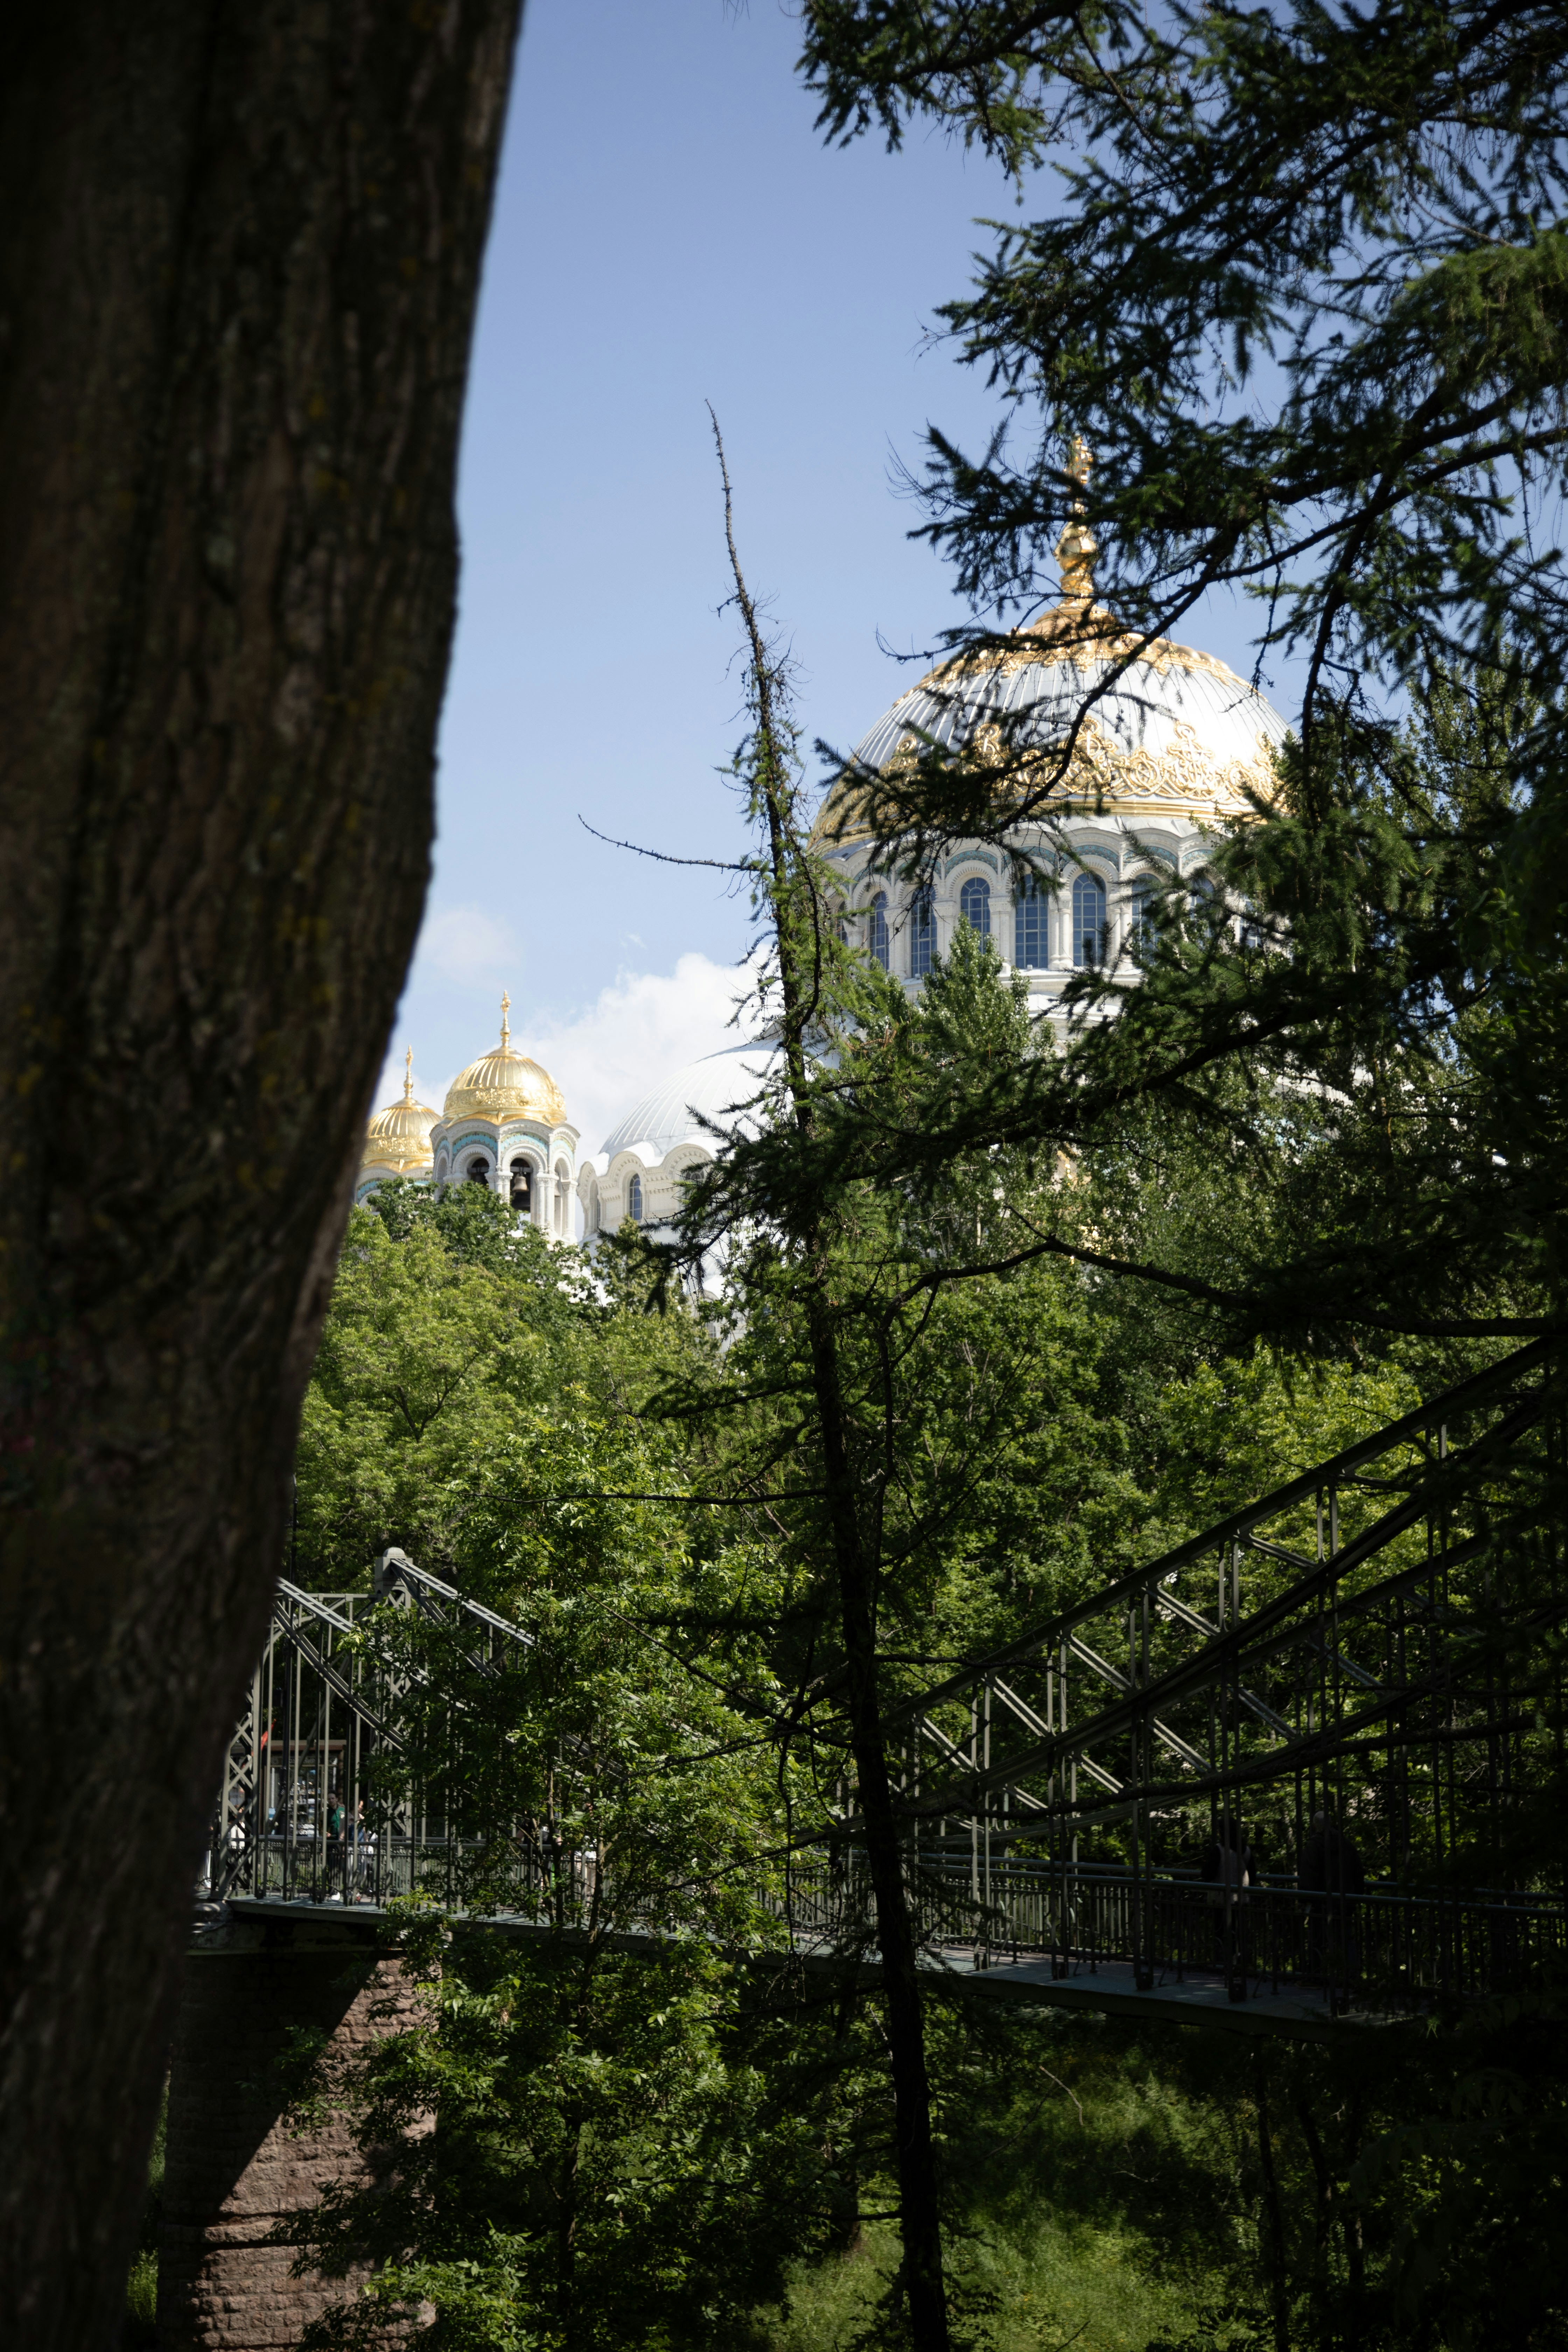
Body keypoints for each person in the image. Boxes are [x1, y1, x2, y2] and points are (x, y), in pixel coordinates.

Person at [1299, 1808, 1365, 1984]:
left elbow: (1308, 1874)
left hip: (1322, 1902)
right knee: (1346, 1938)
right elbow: (1358, 1872)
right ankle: (1352, 1975)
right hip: (1344, 1901)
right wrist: (1357, 1896)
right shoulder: (1346, 1843)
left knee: (1318, 1938)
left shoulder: (1314, 1846)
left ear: (1315, 1826)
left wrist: (1306, 1900)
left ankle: (1316, 1975)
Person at [1200, 1816, 1256, 1981]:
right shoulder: (1245, 1850)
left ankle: (1223, 1964)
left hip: (1221, 1900)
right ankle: (1239, 1963)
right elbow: (1253, 1874)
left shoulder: (1219, 1850)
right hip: (1241, 1900)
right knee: (1238, 1932)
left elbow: (1208, 1874)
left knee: (1221, 1933)